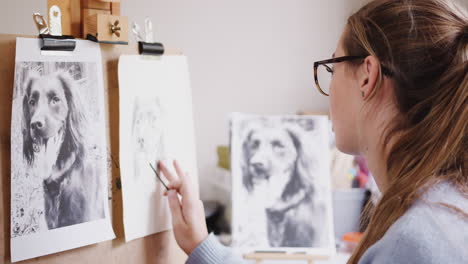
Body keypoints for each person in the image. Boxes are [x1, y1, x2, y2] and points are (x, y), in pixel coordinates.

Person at [159, 0, 468, 263]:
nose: (329, 87)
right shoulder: (443, 207)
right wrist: (203, 246)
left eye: (332, 68)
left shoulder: (413, 243)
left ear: (367, 76)